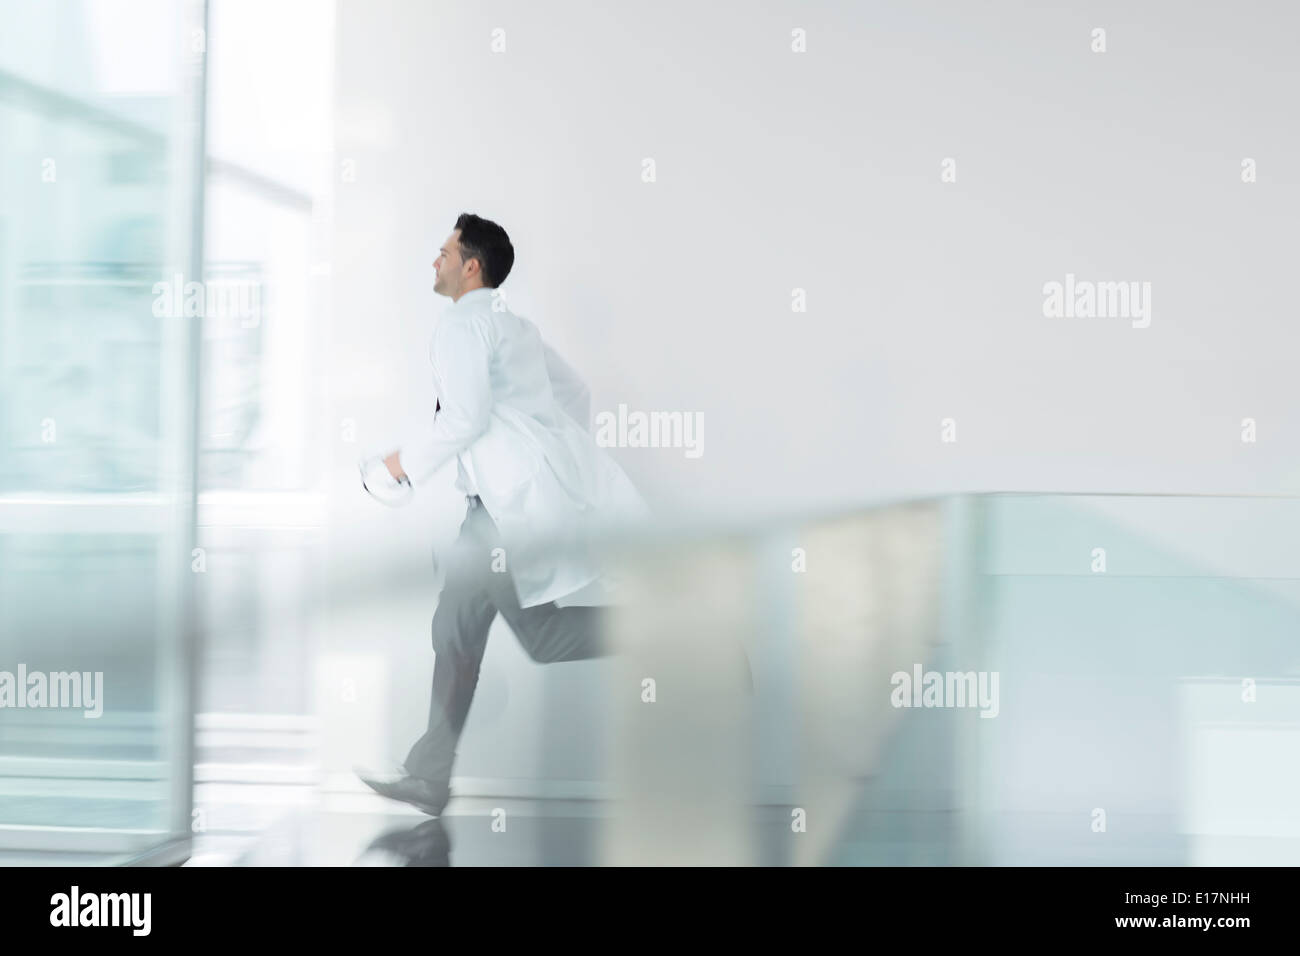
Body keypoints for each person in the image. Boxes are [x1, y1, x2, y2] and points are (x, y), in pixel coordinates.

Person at [355, 213, 649, 816]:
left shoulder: (461, 325)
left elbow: (463, 419)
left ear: (472, 266)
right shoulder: (515, 326)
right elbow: (576, 395)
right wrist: (541, 457)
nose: (433, 261)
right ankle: (430, 776)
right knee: (455, 628)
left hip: (499, 513)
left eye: (444, 252)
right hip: (500, 507)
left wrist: (398, 465)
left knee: (533, 637)